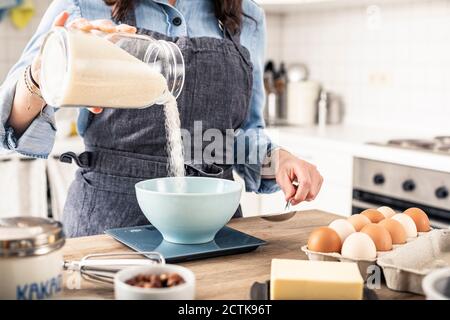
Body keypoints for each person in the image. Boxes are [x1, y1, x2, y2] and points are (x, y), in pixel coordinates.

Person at [0, 0, 323, 237]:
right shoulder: (83, 6)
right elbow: (10, 125)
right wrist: (41, 77)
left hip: (213, 232)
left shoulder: (247, 16)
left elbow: (241, 137)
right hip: (107, 230)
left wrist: (277, 160)